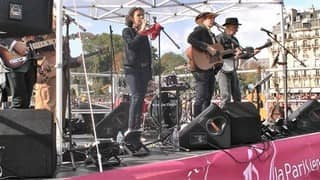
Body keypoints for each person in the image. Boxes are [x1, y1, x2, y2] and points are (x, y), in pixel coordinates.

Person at [34, 16, 82, 124]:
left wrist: (77, 61)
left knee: (60, 110)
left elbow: (66, 60)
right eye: (54, 17)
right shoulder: (38, 35)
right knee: (45, 108)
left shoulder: (63, 38)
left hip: (62, 79)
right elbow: (30, 52)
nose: (57, 20)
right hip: (47, 79)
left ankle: (59, 134)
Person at [122, 7, 152, 150]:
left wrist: (149, 73)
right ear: (132, 18)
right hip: (131, 69)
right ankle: (131, 128)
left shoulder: (144, 34)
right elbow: (132, 45)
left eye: (142, 15)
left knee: (140, 99)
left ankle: (137, 129)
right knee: (136, 97)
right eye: (138, 15)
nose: (141, 17)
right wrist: (141, 31)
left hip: (143, 70)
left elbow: (147, 53)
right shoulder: (126, 31)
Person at [216, 17, 260, 107]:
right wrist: (233, 53)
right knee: (225, 96)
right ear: (228, 27)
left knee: (237, 95)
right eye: (235, 27)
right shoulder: (219, 38)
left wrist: (251, 54)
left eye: (237, 27)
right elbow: (217, 54)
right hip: (221, 70)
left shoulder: (235, 40)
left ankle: (237, 117)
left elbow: (239, 56)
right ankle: (225, 117)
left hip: (233, 70)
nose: (236, 30)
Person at [187, 12, 221, 117]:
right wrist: (207, 47)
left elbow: (215, 53)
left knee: (208, 97)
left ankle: (205, 119)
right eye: (209, 18)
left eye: (213, 18)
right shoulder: (200, 29)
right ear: (203, 20)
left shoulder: (212, 35)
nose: (212, 20)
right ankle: (196, 121)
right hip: (200, 68)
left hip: (209, 68)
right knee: (201, 96)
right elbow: (190, 39)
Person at [0, 37, 36, 108]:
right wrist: (14, 44)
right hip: (12, 61)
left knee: (26, 102)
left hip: (30, 61)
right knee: (18, 101)